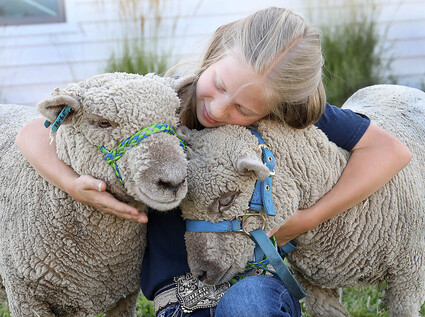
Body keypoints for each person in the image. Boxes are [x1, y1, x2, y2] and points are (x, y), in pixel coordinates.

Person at [16, 7, 411, 317]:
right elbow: (34, 131)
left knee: (250, 306)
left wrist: (308, 218)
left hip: (252, 279)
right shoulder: (158, 105)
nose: (219, 108)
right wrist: (71, 183)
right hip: (179, 294)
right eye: (219, 85)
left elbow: (390, 151)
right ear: (218, 49)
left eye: (243, 108)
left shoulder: (282, 114)